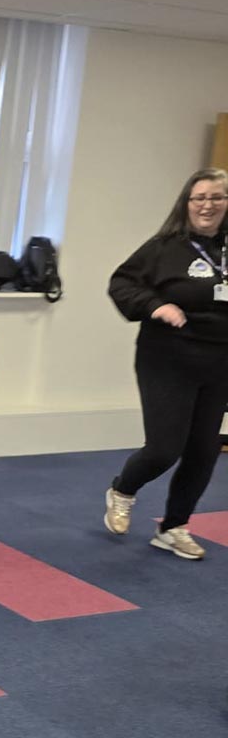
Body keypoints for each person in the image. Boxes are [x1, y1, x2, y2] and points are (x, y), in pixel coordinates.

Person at [105, 167, 228, 560]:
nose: (207, 205)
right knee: (164, 448)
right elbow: (121, 283)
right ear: (187, 204)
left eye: (216, 198)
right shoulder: (165, 247)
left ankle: (174, 526)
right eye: (200, 198)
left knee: (204, 450)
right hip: (168, 358)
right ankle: (123, 488)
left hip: (219, 363)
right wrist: (156, 305)